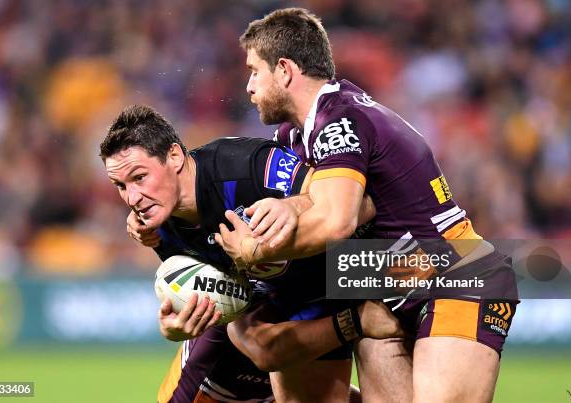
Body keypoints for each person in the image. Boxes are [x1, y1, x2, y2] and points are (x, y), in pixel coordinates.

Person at [215, 7, 519, 403]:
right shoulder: (296, 134)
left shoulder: (339, 120)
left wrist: (256, 250)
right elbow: (345, 208)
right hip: (386, 282)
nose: (249, 86)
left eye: (255, 71)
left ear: (285, 70)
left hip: (454, 273)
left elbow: (337, 221)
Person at [101, 104, 402, 402]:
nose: (132, 198)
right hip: (297, 295)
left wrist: (291, 209)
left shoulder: (245, 166)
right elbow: (227, 292)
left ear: (176, 156)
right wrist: (181, 316)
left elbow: (361, 203)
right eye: (120, 186)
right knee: (260, 349)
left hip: (353, 263)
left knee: (441, 277)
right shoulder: (162, 229)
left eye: (140, 177)